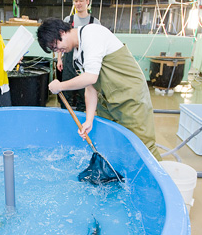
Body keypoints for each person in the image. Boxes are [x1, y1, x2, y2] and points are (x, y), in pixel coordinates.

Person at [37, 18, 162, 161]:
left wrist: (60, 86)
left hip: (130, 96)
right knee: (115, 143)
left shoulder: (91, 34)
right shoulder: (77, 54)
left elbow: (91, 77)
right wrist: (89, 120)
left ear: (61, 32)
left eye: (56, 45)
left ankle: (161, 181)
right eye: (53, 50)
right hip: (110, 100)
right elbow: (90, 88)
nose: (58, 50)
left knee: (143, 145)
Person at [57, 0, 100, 112]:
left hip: (87, 62)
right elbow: (60, 41)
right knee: (67, 90)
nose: (78, 4)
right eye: (76, 1)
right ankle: (66, 115)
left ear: (87, 1)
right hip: (69, 61)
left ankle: (81, 116)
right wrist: (59, 59)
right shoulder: (68, 21)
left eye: (81, 0)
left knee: (84, 90)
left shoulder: (94, 23)